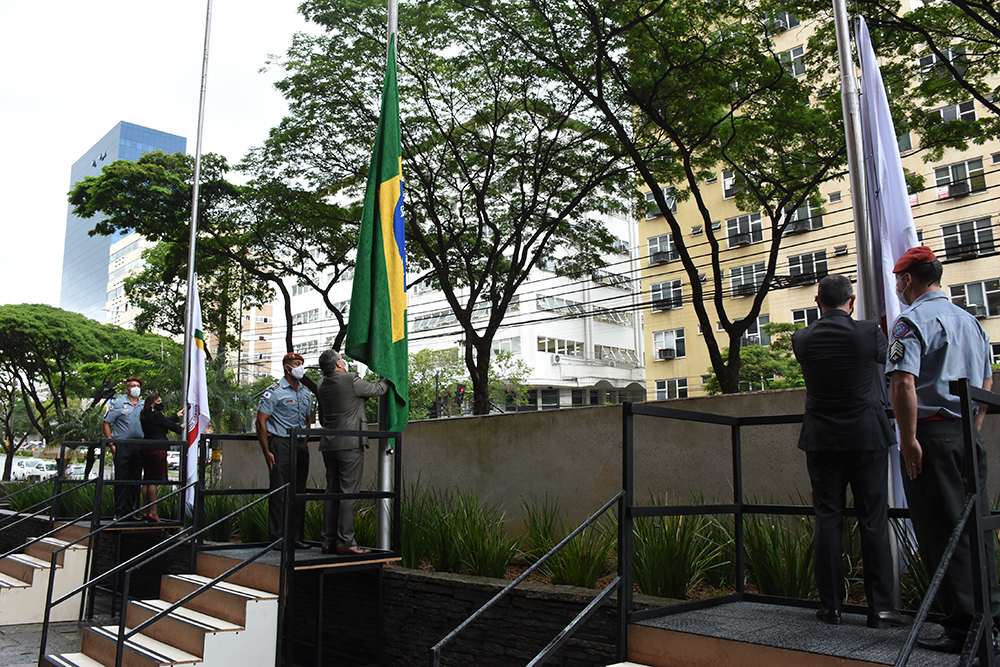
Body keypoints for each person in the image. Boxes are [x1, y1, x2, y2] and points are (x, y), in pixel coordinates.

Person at [886, 245, 1000, 654]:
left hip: (931, 436)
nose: (898, 287)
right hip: (967, 434)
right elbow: (987, 380)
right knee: (976, 527)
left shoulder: (911, 321)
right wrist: (973, 427)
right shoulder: (971, 321)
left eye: (899, 281)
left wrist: (908, 440)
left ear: (908, 279)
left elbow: (903, 382)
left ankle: (963, 629)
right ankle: (989, 620)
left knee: (941, 530)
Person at [791, 275, 911, 628]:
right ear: (852, 301)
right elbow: (893, 365)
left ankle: (831, 608)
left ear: (817, 302)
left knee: (827, 519)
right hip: (867, 435)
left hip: (821, 438)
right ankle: (882, 609)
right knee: (873, 519)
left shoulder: (801, 338)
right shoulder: (869, 331)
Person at [315, 350, 388, 556]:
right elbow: (378, 389)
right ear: (338, 365)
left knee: (331, 493)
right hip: (350, 444)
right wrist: (389, 376)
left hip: (329, 444)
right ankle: (346, 542)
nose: (344, 360)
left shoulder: (321, 384)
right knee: (348, 493)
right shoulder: (350, 379)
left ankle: (328, 541)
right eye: (341, 358)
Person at [256, 352, 314, 549]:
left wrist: (304, 441)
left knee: (299, 491)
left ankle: (295, 537)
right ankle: (278, 538)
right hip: (280, 443)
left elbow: (307, 419)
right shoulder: (274, 391)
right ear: (286, 367)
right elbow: (261, 421)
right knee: (280, 491)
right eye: (296, 364)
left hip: (300, 445)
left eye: (302, 364)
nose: (300, 367)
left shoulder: (305, 393)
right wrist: (266, 451)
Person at [102, 377, 145, 520]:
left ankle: (131, 512)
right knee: (121, 479)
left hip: (139, 445)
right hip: (122, 444)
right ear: (127, 389)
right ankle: (120, 512)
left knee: (135, 479)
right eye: (132, 386)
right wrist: (111, 444)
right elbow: (106, 423)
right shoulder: (119, 404)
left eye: (138, 386)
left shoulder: (144, 405)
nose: (135, 388)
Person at [139, 392, 183, 523]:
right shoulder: (157, 416)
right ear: (153, 404)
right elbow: (174, 427)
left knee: (147, 480)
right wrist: (183, 426)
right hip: (157, 450)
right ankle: (153, 513)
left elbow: (163, 422)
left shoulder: (145, 415)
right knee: (154, 480)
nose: (161, 403)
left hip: (146, 449)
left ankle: (146, 511)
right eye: (158, 401)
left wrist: (176, 416)